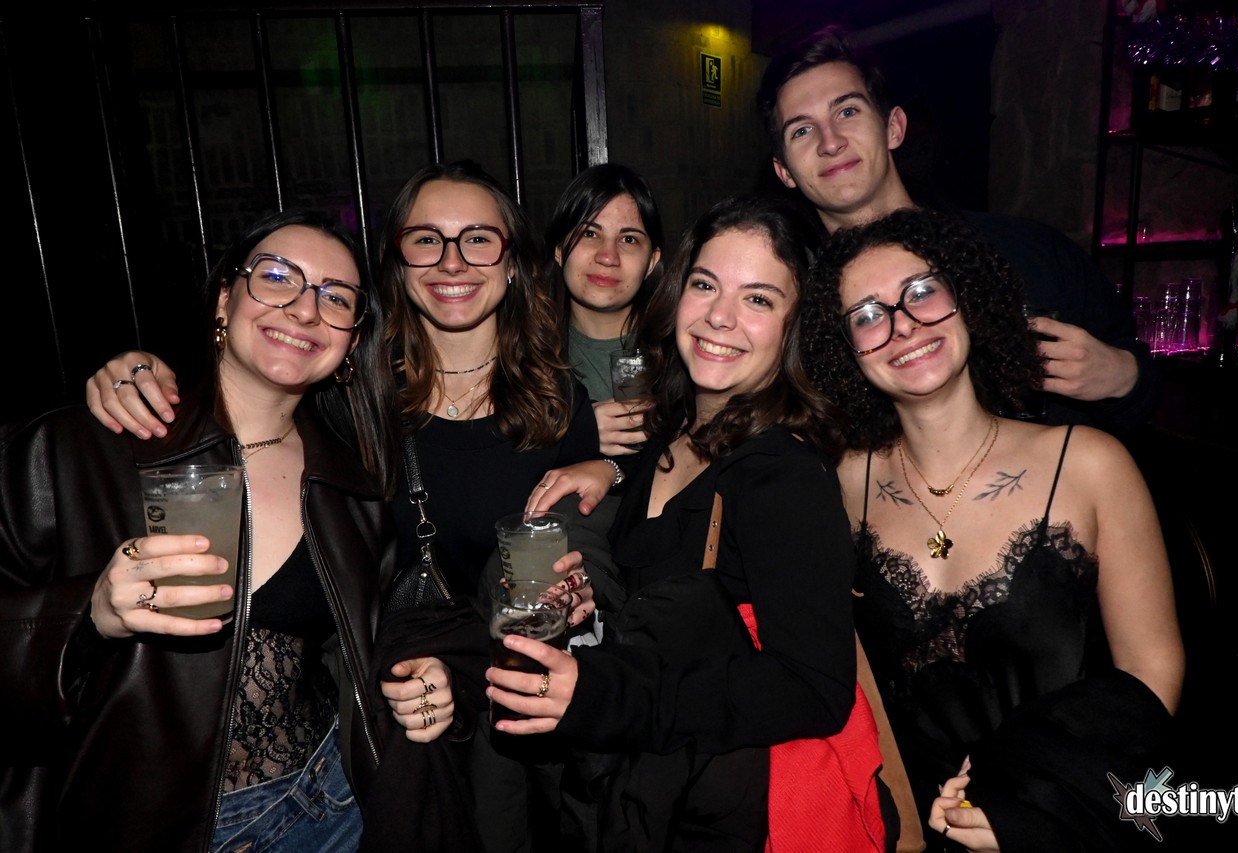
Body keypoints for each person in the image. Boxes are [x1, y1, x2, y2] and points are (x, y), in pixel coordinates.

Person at [85, 159, 601, 853]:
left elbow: (589, 547)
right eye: (426, 239)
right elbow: (252, 384)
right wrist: (134, 367)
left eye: (478, 238)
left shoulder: (560, 404)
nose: (452, 260)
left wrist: (609, 488)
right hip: (380, 716)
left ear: (513, 262)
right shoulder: (351, 398)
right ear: (398, 265)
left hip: (493, 703)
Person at [0, 209, 406, 851]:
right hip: (137, 825)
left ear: (351, 342)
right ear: (224, 298)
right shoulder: (74, 449)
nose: (305, 309)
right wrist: (88, 614)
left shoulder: (353, 486)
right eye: (278, 277)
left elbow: (374, 644)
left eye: (336, 298)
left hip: (324, 809)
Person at [500, 194, 888, 852]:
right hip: (650, 801)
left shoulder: (782, 477)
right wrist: (591, 610)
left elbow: (814, 688)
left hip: (725, 818)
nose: (719, 316)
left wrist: (605, 692)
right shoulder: (674, 435)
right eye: (705, 285)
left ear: (796, 325)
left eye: (758, 298)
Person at [800, 207, 1184, 851]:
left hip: (1066, 814)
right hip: (910, 831)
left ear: (967, 300)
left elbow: (1153, 672)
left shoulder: (1090, 464)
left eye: (921, 291)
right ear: (846, 350)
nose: (902, 325)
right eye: (867, 315)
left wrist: (1029, 800)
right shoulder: (837, 485)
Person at [755, 24, 1161, 435]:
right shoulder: (797, 310)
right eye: (802, 130)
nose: (830, 142)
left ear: (894, 127)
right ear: (784, 171)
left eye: (847, 112)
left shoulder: (1027, 252)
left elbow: (1142, 381)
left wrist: (1121, 377)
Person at [543, 162, 665, 458]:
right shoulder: (522, 351)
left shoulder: (682, 355)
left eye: (629, 239)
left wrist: (613, 470)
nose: (608, 256)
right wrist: (577, 435)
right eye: (589, 234)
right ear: (559, 250)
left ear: (651, 261)